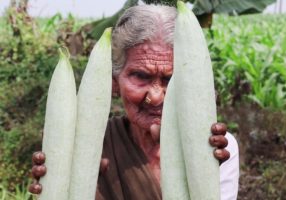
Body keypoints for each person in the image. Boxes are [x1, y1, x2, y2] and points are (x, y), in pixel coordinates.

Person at [29, 4, 239, 200]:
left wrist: (204, 171)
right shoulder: (87, 146)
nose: (156, 96)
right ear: (113, 82)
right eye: (140, 76)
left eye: (169, 79)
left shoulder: (217, 147)